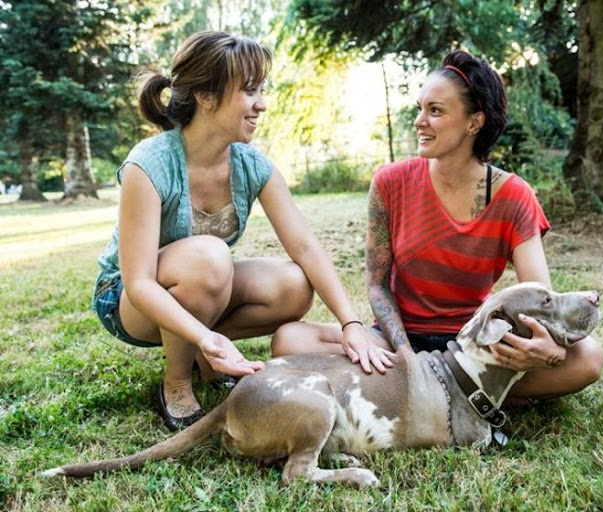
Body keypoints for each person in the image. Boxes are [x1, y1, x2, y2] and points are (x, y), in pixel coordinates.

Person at [92, 31, 392, 432]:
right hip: (127, 300)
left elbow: (305, 246)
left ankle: (203, 357)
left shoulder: (252, 165)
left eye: (261, 90)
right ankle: (177, 382)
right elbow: (139, 282)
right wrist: (206, 338)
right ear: (206, 96)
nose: (262, 104)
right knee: (210, 258)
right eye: (250, 91)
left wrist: (351, 324)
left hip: (196, 288)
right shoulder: (149, 163)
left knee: (293, 285)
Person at [272, 50, 603, 402]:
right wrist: (404, 354)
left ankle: (422, 391)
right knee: (290, 340)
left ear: (473, 123)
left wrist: (544, 349)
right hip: (398, 338)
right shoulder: (389, 182)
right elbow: (377, 285)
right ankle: (453, 392)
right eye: (420, 108)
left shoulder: (514, 195)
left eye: (435, 111)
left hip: (476, 343)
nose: (419, 121)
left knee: (587, 358)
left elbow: (539, 296)